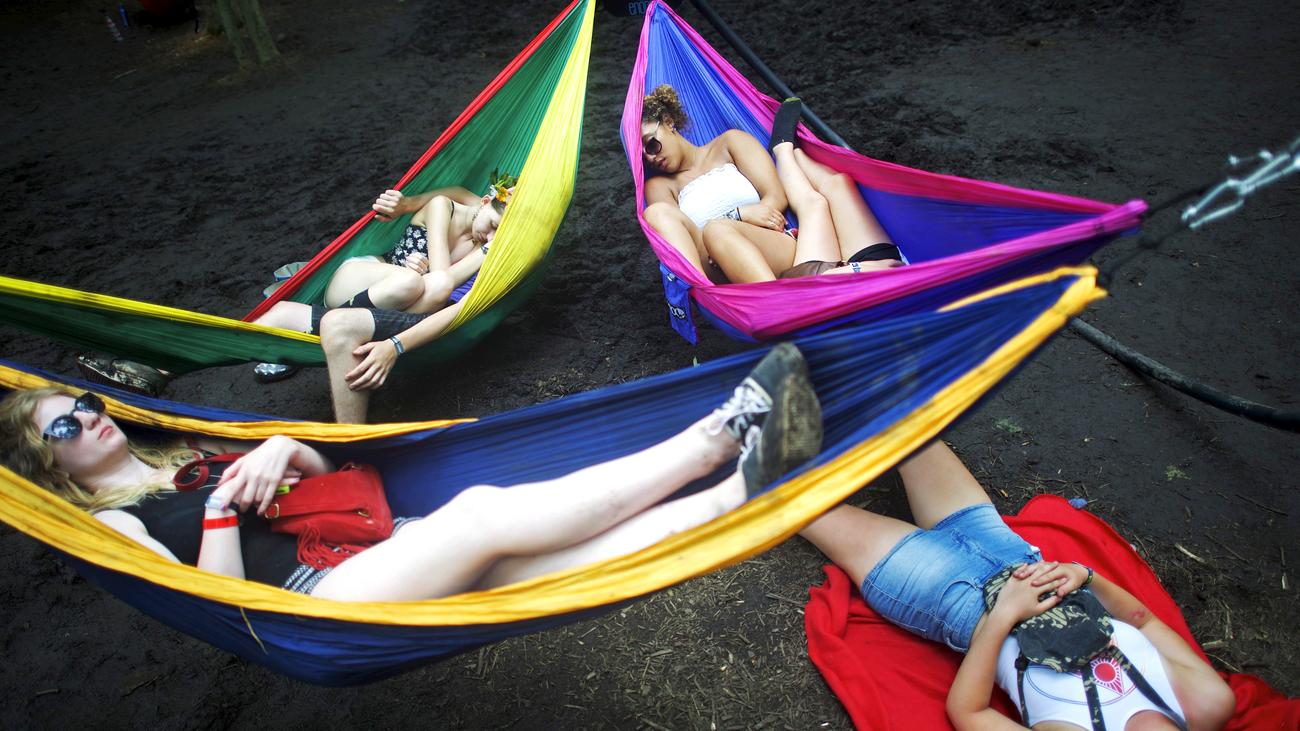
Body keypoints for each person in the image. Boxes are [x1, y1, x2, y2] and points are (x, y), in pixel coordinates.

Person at [1, 344, 822, 600]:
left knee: (555, 567)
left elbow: (329, 473)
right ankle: (718, 436)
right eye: (65, 423)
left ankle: (741, 489)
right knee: (481, 512)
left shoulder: (183, 448)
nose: (91, 415)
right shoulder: (114, 524)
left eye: (85, 401)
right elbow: (219, 603)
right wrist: (220, 509)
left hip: (377, 544)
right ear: (48, 463)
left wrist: (283, 447)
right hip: (315, 599)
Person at [799, 441, 1236, 730]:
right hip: (1009, 549)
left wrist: (1004, 614)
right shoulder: (1207, 703)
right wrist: (1085, 575)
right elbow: (1143, 620)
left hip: (946, 595)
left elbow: (969, 713)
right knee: (901, 415)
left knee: (787, 499)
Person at [76, 170, 516, 391]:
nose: (490, 237)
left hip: (382, 310)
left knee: (420, 287)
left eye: (498, 236)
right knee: (416, 285)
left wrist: (487, 249)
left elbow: (443, 283)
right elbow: (438, 273)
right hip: (363, 278)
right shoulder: (444, 207)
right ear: (485, 201)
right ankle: (315, 317)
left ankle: (157, 370)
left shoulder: (486, 239)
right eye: (493, 224)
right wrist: (402, 209)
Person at [639, 85, 903, 283]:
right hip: (712, 266)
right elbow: (678, 241)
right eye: (643, 156)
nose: (651, 157)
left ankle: (776, 301)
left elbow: (775, 197)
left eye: (651, 143)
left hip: (767, 243)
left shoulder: (730, 143)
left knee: (718, 230)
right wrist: (737, 214)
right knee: (668, 216)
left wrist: (739, 220)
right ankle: (702, 291)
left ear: (669, 122)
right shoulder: (660, 186)